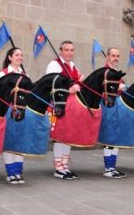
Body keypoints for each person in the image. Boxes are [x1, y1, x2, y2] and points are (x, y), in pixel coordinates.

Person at [46, 40, 84, 179]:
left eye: (72, 50)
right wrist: (70, 89)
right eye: (66, 50)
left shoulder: (73, 66)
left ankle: (64, 165)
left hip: (71, 107)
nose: (69, 52)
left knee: (68, 135)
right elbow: (52, 85)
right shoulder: (54, 65)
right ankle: (58, 168)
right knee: (59, 136)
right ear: (60, 51)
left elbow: (78, 82)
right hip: (58, 104)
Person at [0, 47, 26, 184]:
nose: (19, 57)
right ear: (9, 57)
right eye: (16, 55)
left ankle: (18, 172)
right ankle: (10, 172)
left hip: (22, 111)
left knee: (20, 141)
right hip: (8, 111)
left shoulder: (24, 75)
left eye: (21, 55)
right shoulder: (2, 74)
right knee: (10, 140)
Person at [102, 47, 127, 178]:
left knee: (115, 138)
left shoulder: (116, 72)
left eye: (117, 56)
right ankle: (108, 169)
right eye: (113, 56)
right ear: (107, 57)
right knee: (110, 137)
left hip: (118, 107)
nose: (116, 58)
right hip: (108, 106)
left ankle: (112, 167)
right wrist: (119, 87)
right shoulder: (105, 72)